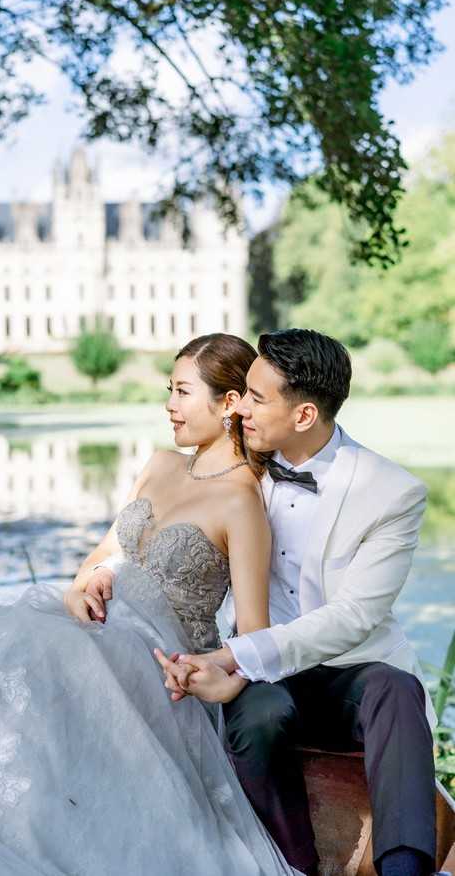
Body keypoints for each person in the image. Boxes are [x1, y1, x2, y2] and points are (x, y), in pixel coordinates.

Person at [0, 333, 299, 876]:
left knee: (31, 655)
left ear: (229, 404)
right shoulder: (160, 465)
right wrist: (80, 587)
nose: (169, 404)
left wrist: (222, 680)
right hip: (96, 626)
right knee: (2, 643)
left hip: (158, 659)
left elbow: (254, 634)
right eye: (169, 389)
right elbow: (101, 557)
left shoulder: (241, 500)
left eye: (183, 392)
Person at [154, 329, 437, 876]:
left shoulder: (390, 491)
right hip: (260, 680)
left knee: (395, 688)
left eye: (258, 399)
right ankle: (293, 866)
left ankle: (405, 868)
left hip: (344, 673)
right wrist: (101, 573)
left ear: (304, 415)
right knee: (260, 714)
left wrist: (239, 655)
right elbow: (160, 526)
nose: (241, 412)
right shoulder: (235, 469)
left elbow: (356, 616)